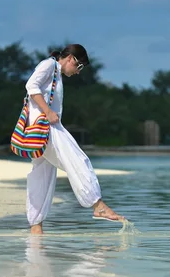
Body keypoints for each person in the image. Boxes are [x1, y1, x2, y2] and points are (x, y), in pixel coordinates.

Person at [25, 44, 125, 235]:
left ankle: (36, 228)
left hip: (40, 129)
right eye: (79, 67)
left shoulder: (55, 72)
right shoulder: (48, 65)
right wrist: (48, 112)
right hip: (46, 127)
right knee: (78, 160)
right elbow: (31, 86)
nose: (78, 73)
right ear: (70, 58)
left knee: (42, 176)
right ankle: (98, 205)